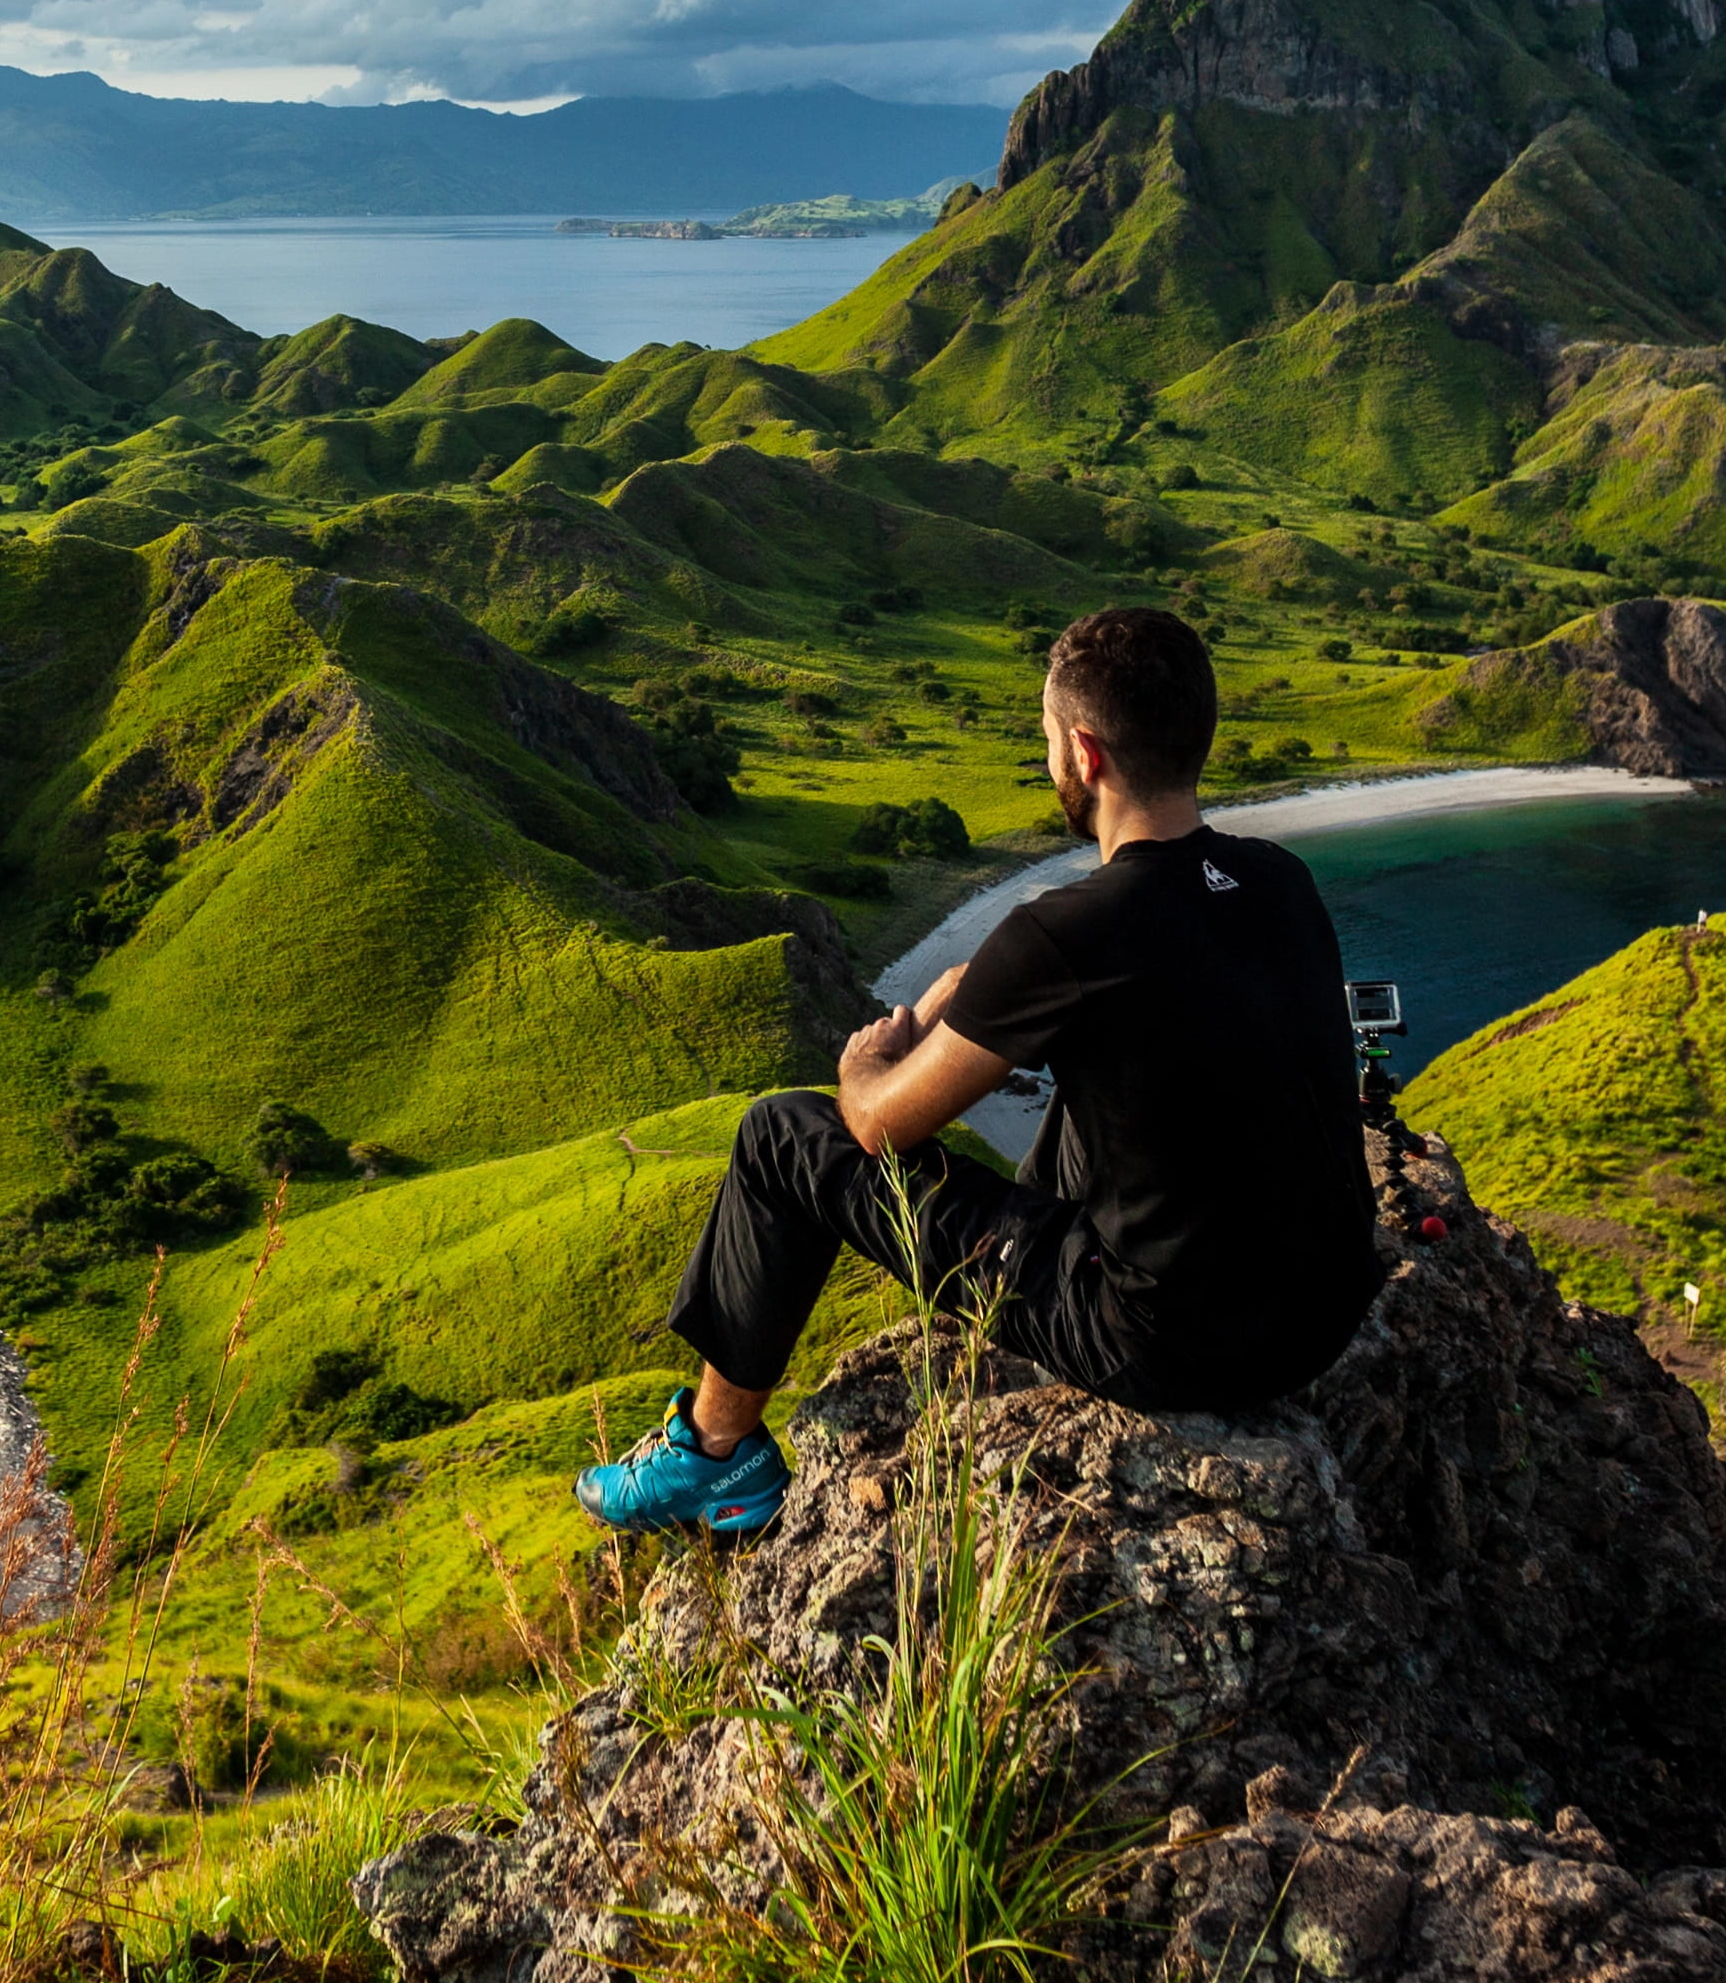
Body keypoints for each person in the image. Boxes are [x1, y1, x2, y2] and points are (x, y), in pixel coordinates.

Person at [574, 605, 1380, 1536]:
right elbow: (1165, 1007)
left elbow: (876, 1123)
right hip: (1322, 1317)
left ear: (1083, 752)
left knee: (778, 1136)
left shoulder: (1063, 931)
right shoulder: (1280, 878)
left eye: (1046, 740)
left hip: (1170, 1346)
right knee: (1110, 1077)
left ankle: (714, 1458)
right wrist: (1002, 997)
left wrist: (879, 1047)